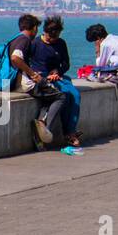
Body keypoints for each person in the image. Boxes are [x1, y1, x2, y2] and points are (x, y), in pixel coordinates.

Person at [6, 14, 71, 149]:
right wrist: (33, 74)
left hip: (15, 82)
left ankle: (40, 133)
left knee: (48, 98)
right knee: (60, 96)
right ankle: (43, 126)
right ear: (34, 27)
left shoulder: (16, 39)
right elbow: (15, 59)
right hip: (25, 83)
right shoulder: (25, 40)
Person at [39, 15, 82, 147]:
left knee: (75, 94)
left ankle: (71, 131)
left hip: (59, 76)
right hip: (44, 78)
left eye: (56, 37)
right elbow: (33, 65)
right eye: (51, 37)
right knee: (65, 95)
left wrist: (58, 72)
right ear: (45, 32)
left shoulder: (61, 43)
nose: (53, 40)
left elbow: (66, 63)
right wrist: (47, 76)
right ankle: (68, 132)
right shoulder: (36, 44)